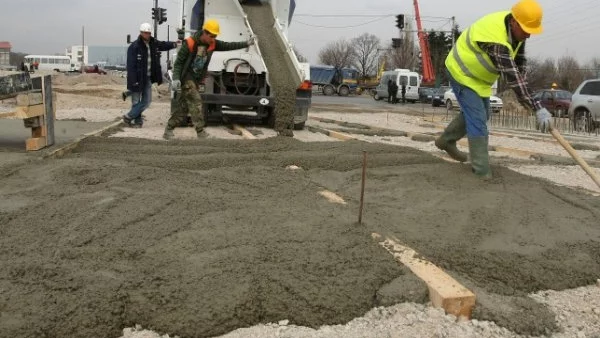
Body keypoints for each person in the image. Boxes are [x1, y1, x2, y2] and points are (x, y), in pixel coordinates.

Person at [434, 0, 552, 178]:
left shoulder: (517, 34)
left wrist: (533, 106)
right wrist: (537, 106)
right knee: (478, 119)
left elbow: (519, 67)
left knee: (484, 114)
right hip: (461, 73)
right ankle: (481, 171)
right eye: (526, 29)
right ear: (513, 21)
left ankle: (446, 140)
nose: (528, 35)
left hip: (478, 80)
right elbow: (513, 78)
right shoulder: (496, 39)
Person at [163, 19, 255, 139]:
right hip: (187, 77)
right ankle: (200, 132)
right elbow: (179, 63)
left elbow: (229, 45)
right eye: (211, 35)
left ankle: (168, 129)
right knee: (196, 102)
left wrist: (246, 43)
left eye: (215, 36)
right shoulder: (190, 43)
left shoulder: (213, 43)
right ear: (205, 33)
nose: (213, 38)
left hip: (196, 79)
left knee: (183, 109)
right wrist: (176, 78)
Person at [123, 23, 178, 128]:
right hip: (136, 78)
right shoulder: (134, 47)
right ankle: (137, 122)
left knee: (147, 101)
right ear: (141, 33)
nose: (147, 35)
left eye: (148, 33)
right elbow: (131, 66)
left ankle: (128, 116)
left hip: (147, 78)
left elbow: (163, 45)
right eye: (145, 33)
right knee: (135, 101)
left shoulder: (153, 43)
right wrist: (134, 81)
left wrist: (175, 44)